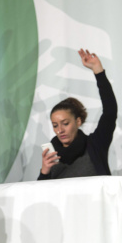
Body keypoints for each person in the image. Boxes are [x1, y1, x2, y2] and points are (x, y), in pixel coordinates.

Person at [38, 49, 117, 180]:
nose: (60, 130)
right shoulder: (52, 155)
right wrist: (44, 172)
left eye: (65, 123)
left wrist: (98, 70)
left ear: (78, 121)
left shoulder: (95, 144)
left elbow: (110, 111)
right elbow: (41, 194)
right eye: (55, 125)